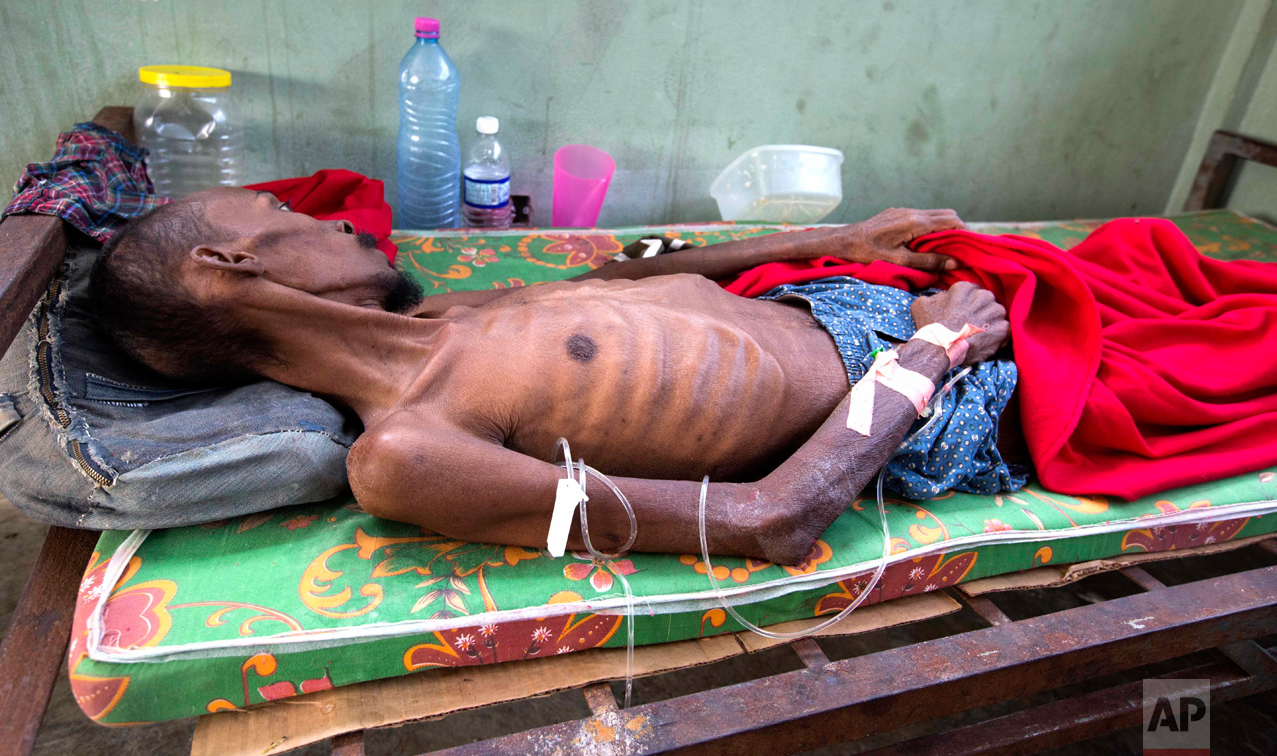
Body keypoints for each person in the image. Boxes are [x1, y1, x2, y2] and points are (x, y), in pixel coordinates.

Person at [88, 190, 1009, 565]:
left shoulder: (447, 316)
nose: (334, 220)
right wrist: (931, 356)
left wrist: (830, 241)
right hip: (934, 397)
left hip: (861, 302)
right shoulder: (409, 450)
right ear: (227, 264)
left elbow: (611, 280)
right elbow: (770, 519)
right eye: (284, 209)